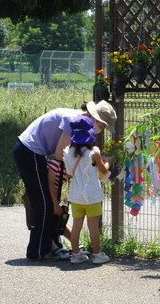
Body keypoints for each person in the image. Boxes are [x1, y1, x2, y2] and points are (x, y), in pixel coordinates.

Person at [13, 100, 117, 260]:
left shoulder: (79, 122)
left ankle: (54, 246)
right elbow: (59, 154)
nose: (100, 131)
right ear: (95, 118)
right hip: (30, 151)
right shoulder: (73, 121)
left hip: (33, 152)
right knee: (44, 202)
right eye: (102, 126)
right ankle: (39, 251)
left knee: (47, 202)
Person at [63, 117, 111, 264]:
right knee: (93, 227)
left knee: (76, 226)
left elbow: (69, 174)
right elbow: (103, 172)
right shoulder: (94, 154)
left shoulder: (68, 153)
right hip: (92, 196)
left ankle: (76, 255)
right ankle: (97, 254)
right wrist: (108, 161)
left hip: (76, 196)